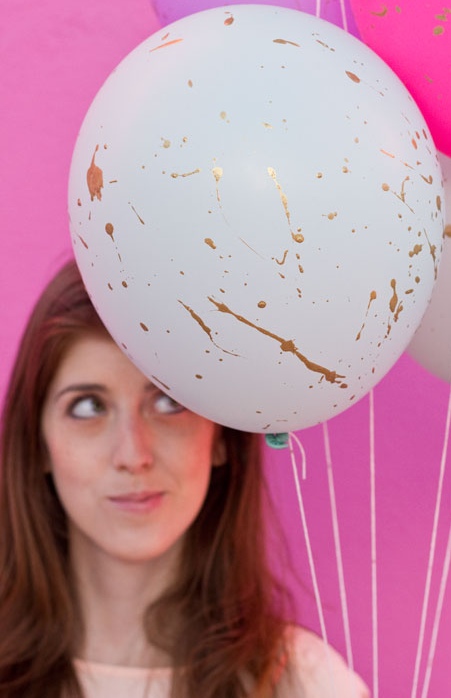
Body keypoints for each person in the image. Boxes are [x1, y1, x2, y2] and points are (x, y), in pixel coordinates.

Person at [0, 259, 369, 698]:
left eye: (168, 403)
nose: (133, 455)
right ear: (39, 443)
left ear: (221, 437)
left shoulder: (307, 684)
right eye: (88, 407)